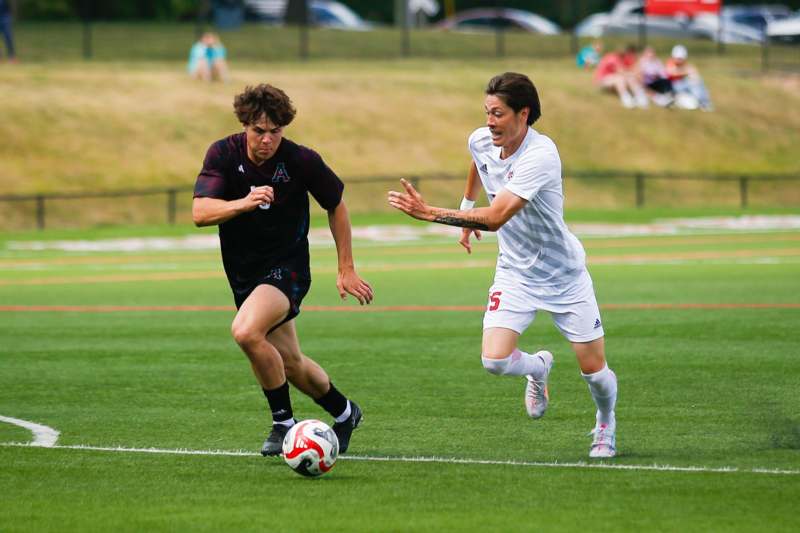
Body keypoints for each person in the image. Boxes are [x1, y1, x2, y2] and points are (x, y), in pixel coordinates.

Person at [388, 72, 618, 458]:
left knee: (594, 372)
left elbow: (495, 218)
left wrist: (430, 213)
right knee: (493, 360)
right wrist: (464, 208)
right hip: (514, 271)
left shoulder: (541, 155)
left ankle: (605, 424)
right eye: (486, 112)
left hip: (564, 275)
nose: (489, 122)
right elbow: (478, 161)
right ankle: (537, 368)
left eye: (497, 114)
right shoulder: (482, 139)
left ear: (523, 114)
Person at [192, 83, 373, 456]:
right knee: (290, 362)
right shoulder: (223, 155)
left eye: (275, 132)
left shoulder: (300, 160)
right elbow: (200, 212)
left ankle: (283, 425)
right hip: (244, 273)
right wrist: (242, 203)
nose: (267, 140)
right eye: (259, 131)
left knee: (245, 331)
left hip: (287, 269)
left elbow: (336, 205)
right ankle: (345, 412)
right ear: (245, 125)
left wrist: (346, 268)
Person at [665, 44, 713, 111]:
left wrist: (693, 75)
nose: (680, 60)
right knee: (693, 83)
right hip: (674, 86)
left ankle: (703, 101)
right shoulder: (670, 63)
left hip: (682, 85)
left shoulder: (684, 64)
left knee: (698, 81)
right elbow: (672, 72)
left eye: (681, 58)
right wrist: (686, 71)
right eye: (678, 58)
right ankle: (702, 102)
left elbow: (693, 71)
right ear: (674, 57)